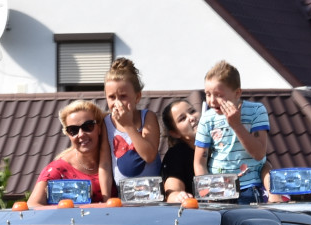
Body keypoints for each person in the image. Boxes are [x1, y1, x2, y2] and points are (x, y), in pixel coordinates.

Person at [193, 60, 270, 205]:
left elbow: (259, 154)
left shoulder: (256, 111)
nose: (211, 100)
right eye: (207, 94)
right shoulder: (207, 119)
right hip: (218, 191)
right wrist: (207, 190)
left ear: (237, 93)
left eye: (218, 95)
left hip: (249, 188)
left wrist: (236, 125)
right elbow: (199, 162)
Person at [28, 101, 107, 207]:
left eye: (88, 126)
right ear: (68, 134)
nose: (81, 134)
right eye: (73, 130)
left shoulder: (117, 160)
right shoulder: (58, 169)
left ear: (100, 128)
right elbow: (32, 206)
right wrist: (66, 208)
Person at [102, 57, 162, 195]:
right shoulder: (106, 122)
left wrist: (128, 125)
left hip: (151, 194)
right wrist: (106, 199)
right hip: (123, 195)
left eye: (123, 96)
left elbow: (149, 155)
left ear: (137, 97)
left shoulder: (148, 117)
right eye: (112, 97)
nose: (117, 103)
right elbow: (105, 164)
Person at [160, 98, 199, 203]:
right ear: (175, 133)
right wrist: (179, 196)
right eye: (182, 118)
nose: (191, 118)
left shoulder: (222, 143)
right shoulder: (175, 155)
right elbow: (172, 193)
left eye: (192, 111)